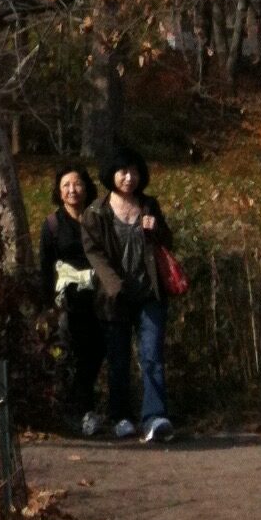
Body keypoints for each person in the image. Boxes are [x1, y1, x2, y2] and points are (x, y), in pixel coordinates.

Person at [80, 145, 176, 443]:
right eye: (122, 171)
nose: (129, 177)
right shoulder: (96, 212)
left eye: (134, 171)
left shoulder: (149, 205)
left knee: (152, 356)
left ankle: (154, 417)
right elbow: (94, 253)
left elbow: (168, 241)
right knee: (118, 359)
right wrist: (113, 285)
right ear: (111, 174)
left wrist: (156, 229)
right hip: (115, 298)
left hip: (149, 294)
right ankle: (120, 416)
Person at [38, 161, 105, 436]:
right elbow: (45, 268)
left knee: (97, 353)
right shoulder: (52, 225)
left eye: (77, 184)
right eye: (66, 185)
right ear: (58, 191)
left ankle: (89, 409)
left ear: (87, 187)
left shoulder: (98, 219)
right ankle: (80, 411)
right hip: (69, 302)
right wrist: (46, 307)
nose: (72, 190)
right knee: (73, 355)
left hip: (99, 298)